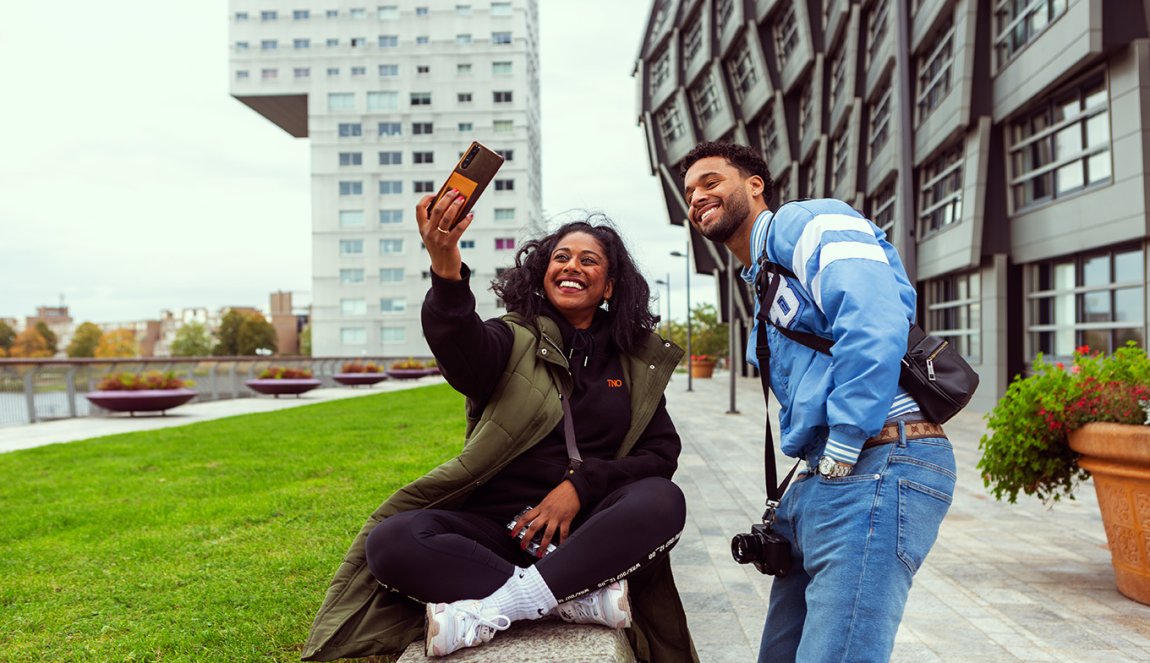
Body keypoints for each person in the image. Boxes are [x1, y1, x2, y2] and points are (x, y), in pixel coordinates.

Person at [300, 189, 699, 662]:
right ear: (543, 272)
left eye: (589, 260)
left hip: (587, 536)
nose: (571, 266)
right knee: (393, 540)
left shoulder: (633, 364)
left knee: (661, 499)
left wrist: (580, 487)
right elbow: (460, 346)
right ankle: (569, 601)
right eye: (561, 257)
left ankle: (507, 604)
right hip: (495, 534)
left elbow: (660, 456)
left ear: (609, 286)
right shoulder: (509, 338)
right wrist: (446, 267)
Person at [681, 141, 956, 663]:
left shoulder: (809, 223)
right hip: (823, 481)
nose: (698, 196)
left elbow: (873, 321)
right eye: (689, 192)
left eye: (711, 182)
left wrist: (845, 443)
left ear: (755, 185)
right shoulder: (760, 276)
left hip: (878, 461)